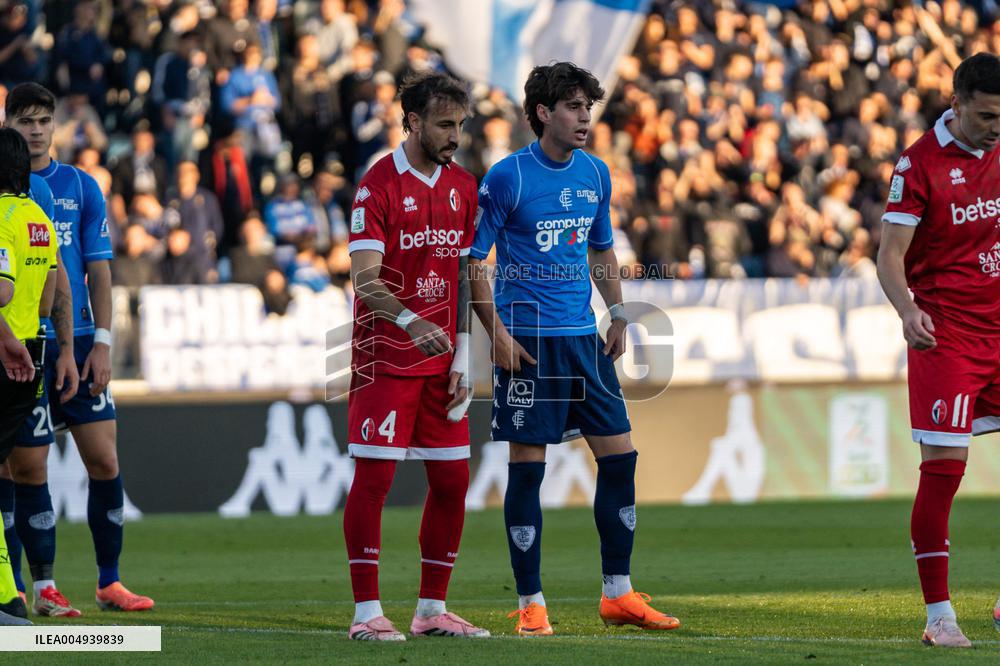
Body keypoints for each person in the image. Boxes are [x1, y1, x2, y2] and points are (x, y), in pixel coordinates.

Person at [468, 62, 680, 636]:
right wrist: (498, 335)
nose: (585, 116)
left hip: (584, 341)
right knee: (528, 469)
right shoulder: (508, 177)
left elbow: (601, 250)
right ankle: (530, 601)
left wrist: (617, 313)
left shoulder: (595, 173)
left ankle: (619, 593)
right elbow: (472, 264)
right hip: (528, 342)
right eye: (573, 106)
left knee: (620, 458)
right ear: (543, 112)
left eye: (588, 106)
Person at [343, 71, 485, 641]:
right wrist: (409, 319)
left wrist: (465, 352)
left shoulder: (465, 187)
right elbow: (364, 281)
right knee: (373, 481)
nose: (455, 135)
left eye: (461, 124)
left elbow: (465, 272)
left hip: (441, 362)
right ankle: (365, 614)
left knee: (453, 482)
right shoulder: (375, 186)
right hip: (385, 357)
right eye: (445, 124)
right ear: (413, 122)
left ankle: (431, 610)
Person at [3, 82, 153, 616]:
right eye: (26, 121)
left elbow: (96, 272)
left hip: (79, 339)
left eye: (44, 120)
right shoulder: (10, 191)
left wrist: (103, 342)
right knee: (23, 469)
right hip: (26, 339)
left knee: (105, 460)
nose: (37, 130)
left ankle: (109, 582)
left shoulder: (81, 186)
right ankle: (25, 589)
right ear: (10, 125)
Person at [875, 52, 1000, 648]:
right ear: (956, 104)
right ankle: (940, 617)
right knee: (945, 472)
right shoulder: (919, 165)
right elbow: (890, 255)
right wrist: (907, 310)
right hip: (946, 333)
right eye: (985, 116)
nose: (995, 127)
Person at [0, 127, 60, 625]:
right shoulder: (39, 217)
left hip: (3, 355)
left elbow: (0, 289)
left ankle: (8, 598)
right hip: (33, 355)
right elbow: (47, 294)